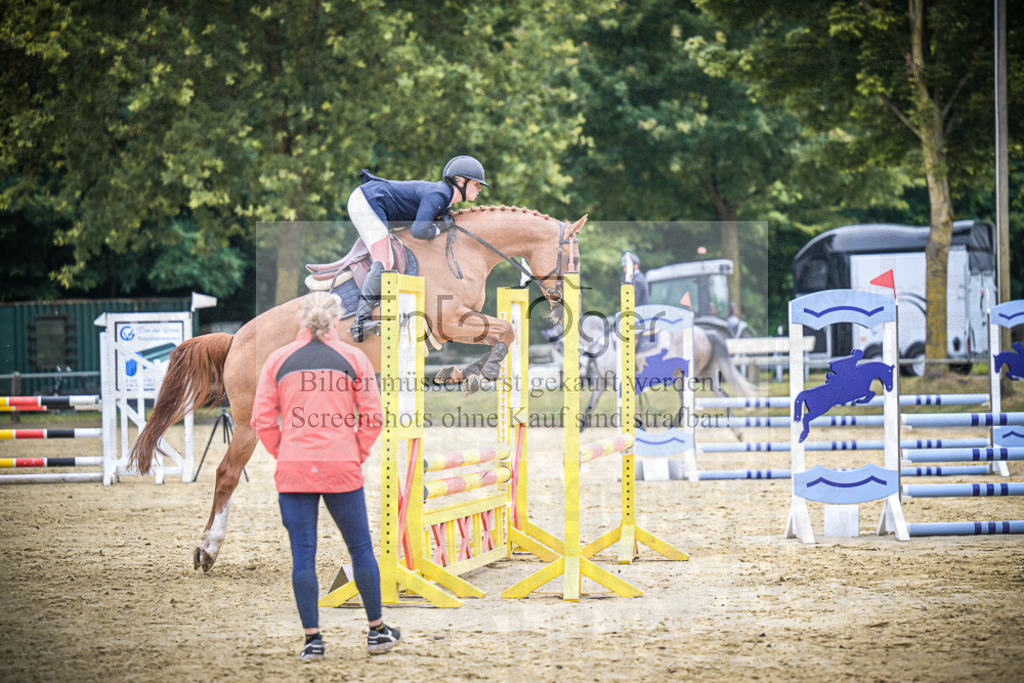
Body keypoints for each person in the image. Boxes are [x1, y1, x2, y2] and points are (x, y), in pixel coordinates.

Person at [251, 291, 401, 661]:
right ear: (338, 321)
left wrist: (284, 453)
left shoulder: (277, 359)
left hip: (294, 469)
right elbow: (372, 418)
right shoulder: (354, 358)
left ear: (302, 320)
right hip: (342, 467)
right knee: (361, 549)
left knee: (303, 556)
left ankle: (313, 641)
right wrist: (356, 453)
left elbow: (262, 420)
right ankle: (377, 631)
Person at [347, 155, 490, 342]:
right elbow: (419, 230)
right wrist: (440, 227)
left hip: (374, 202)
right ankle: (361, 321)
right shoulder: (438, 195)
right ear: (461, 181)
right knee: (385, 260)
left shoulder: (444, 200)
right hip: (366, 201)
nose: (479, 189)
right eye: (476, 184)